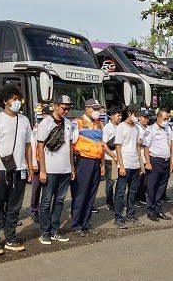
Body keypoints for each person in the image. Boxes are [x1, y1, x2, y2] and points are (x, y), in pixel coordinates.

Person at [0, 84, 33, 255]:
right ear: (5, 101)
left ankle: (11, 239)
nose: (17, 102)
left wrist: (29, 166)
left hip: (19, 169)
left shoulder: (25, 120)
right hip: (0, 170)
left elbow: (28, 145)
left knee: (14, 207)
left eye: (18, 99)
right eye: (14, 99)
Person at [37, 95, 76, 245]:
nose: (66, 111)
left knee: (59, 201)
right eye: (64, 108)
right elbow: (40, 146)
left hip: (65, 169)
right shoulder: (45, 123)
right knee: (46, 201)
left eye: (68, 108)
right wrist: (42, 170)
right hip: (50, 168)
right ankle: (44, 232)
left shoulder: (68, 124)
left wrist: (71, 166)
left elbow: (70, 146)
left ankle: (55, 230)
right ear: (55, 106)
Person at [70, 99, 106, 236]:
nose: (97, 111)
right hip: (83, 162)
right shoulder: (77, 123)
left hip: (96, 162)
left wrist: (102, 164)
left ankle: (86, 223)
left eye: (98, 109)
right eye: (95, 109)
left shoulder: (99, 124)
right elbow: (70, 146)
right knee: (81, 193)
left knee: (91, 194)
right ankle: (77, 224)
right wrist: (72, 166)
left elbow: (102, 145)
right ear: (87, 109)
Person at [113, 104, 145, 228]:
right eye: (136, 115)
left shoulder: (137, 128)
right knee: (120, 192)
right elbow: (118, 147)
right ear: (130, 114)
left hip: (135, 165)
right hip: (125, 165)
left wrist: (140, 164)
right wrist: (121, 165)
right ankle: (118, 217)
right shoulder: (121, 127)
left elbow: (138, 147)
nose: (137, 117)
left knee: (133, 192)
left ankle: (131, 215)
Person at [143, 108, 173, 222]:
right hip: (155, 161)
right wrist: (148, 162)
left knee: (162, 187)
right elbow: (146, 147)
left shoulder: (168, 129)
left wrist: (171, 162)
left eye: (168, 118)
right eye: (165, 118)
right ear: (158, 117)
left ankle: (159, 209)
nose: (167, 120)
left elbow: (169, 146)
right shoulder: (151, 130)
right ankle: (151, 211)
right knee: (152, 187)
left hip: (165, 161)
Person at [30, 105, 52, 223]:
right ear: (43, 115)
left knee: (48, 188)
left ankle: (45, 210)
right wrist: (34, 163)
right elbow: (33, 147)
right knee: (36, 188)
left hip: (50, 162)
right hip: (38, 162)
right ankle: (34, 210)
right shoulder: (36, 129)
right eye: (49, 114)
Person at [102, 105, 124, 211]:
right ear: (111, 116)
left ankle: (118, 200)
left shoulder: (121, 126)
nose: (120, 117)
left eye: (121, 116)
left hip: (120, 158)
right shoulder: (107, 128)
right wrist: (113, 156)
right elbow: (104, 145)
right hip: (110, 159)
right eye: (118, 115)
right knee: (111, 181)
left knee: (120, 180)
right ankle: (109, 202)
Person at [133, 108, 152, 207]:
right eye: (144, 117)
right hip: (139, 155)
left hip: (147, 156)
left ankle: (141, 196)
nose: (146, 119)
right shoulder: (136, 127)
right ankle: (135, 198)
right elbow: (137, 143)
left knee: (145, 179)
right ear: (139, 117)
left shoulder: (148, 128)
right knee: (138, 179)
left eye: (147, 118)